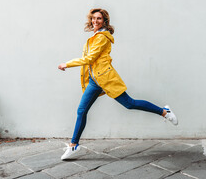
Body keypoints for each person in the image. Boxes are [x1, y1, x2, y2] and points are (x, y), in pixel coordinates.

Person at [58, 8, 178, 160]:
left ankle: (164, 112)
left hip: (106, 78)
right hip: (95, 81)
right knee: (81, 111)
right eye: (93, 18)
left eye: (99, 19)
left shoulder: (101, 37)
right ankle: (73, 145)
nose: (95, 21)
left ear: (104, 21)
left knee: (129, 104)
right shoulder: (95, 35)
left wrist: (67, 64)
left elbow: (89, 59)